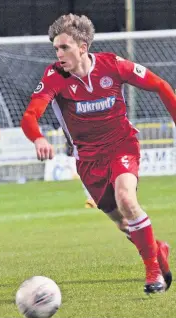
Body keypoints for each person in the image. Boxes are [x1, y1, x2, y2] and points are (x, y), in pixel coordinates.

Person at [21, 14, 174, 294]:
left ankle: (153, 273)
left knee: (126, 198)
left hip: (121, 146)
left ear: (82, 46)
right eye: (56, 48)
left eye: (64, 47)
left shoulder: (113, 66)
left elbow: (161, 86)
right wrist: (38, 136)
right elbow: (31, 115)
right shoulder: (54, 76)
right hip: (87, 159)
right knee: (122, 222)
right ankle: (157, 249)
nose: (59, 54)